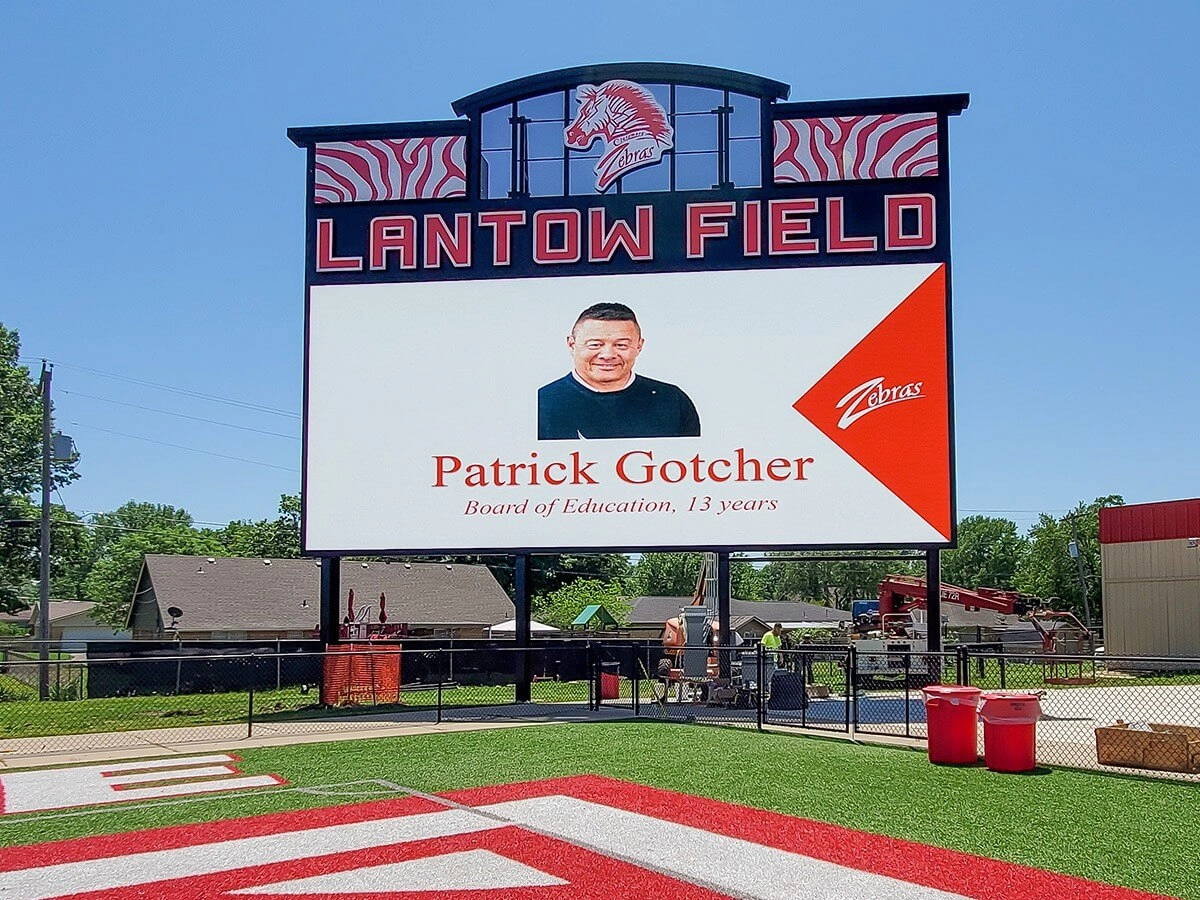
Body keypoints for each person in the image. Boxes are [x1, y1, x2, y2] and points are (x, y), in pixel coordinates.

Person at [537, 302, 700, 440]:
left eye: (621, 345)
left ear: (639, 346)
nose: (608, 355)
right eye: (595, 344)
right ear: (572, 345)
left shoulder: (671, 400)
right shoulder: (542, 403)